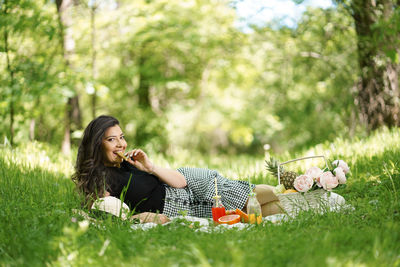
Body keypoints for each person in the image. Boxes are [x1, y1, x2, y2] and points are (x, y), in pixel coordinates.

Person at [72, 115, 283, 224]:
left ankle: (304, 187)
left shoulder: (130, 162)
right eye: (111, 139)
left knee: (251, 197)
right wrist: (135, 219)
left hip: (192, 185)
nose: (121, 144)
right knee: (253, 213)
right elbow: (105, 212)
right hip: (184, 209)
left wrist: (149, 167)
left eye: (122, 137)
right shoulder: (101, 180)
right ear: (97, 144)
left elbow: (181, 182)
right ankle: (307, 201)